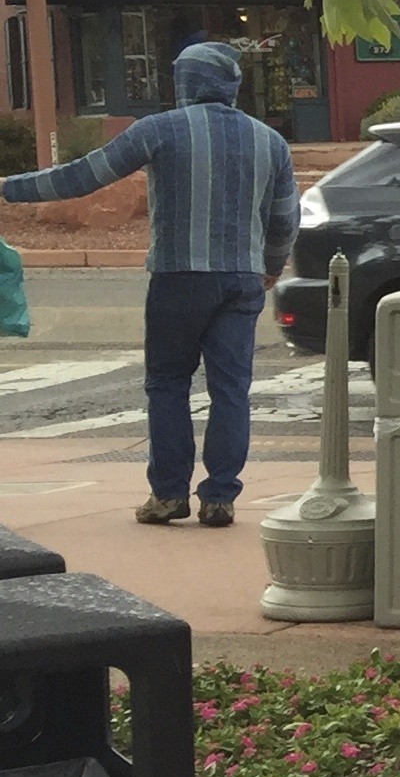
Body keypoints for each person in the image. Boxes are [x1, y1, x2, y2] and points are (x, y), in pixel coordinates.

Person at [3, 40, 299, 525]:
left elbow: (85, 176)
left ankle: (168, 494)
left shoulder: (160, 130)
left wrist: (10, 188)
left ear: (185, 82)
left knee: (167, 383)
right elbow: (286, 216)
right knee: (231, 390)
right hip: (243, 278)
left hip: (178, 275)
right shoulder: (270, 140)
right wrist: (270, 264)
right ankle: (220, 496)